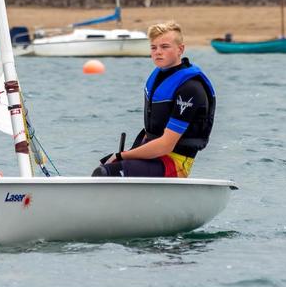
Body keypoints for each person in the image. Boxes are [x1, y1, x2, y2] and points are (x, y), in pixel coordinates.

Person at [92, 20, 215, 179]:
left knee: (106, 172)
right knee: (104, 165)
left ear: (180, 49)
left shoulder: (190, 88)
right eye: (153, 47)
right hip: (154, 157)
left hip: (174, 163)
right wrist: (123, 155)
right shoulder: (158, 79)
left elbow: (166, 145)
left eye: (164, 47)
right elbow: (152, 132)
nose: (158, 52)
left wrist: (122, 156)